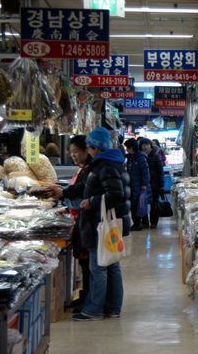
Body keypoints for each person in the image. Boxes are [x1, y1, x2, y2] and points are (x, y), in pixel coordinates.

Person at [73, 127, 131, 322]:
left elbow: (115, 194)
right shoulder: (108, 162)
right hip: (109, 222)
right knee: (111, 263)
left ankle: (94, 310)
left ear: (97, 148)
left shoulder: (105, 164)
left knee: (99, 265)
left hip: (102, 221)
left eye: (88, 147)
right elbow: (92, 186)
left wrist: (92, 202)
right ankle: (113, 307)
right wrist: (65, 192)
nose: (87, 151)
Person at [50, 135, 92, 313]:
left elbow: (82, 196)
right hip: (79, 221)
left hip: (87, 223)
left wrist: (65, 198)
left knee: (89, 266)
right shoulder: (82, 169)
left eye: (76, 151)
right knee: (84, 265)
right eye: (71, 152)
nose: (73, 155)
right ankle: (83, 296)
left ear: (86, 151)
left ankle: (88, 299)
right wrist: (67, 209)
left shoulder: (90, 171)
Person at [124, 138, 152, 231]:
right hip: (133, 185)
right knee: (134, 205)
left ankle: (137, 224)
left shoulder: (140, 157)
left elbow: (145, 172)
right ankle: (137, 223)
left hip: (139, 186)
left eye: (127, 147)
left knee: (137, 205)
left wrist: (144, 184)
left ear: (131, 147)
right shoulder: (131, 157)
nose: (126, 149)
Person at [140, 138, 164, 228]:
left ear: (150, 146)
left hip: (154, 183)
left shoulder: (156, 156)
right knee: (142, 203)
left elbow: (160, 171)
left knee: (154, 204)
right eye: (143, 145)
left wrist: (161, 184)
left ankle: (154, 222)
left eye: (147, 145)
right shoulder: (139, 156)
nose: (145, 147)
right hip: (143, 185)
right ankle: (144, 222)